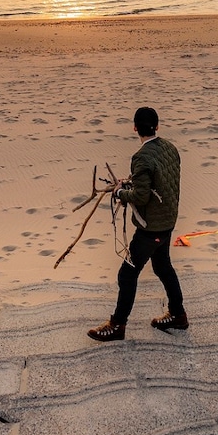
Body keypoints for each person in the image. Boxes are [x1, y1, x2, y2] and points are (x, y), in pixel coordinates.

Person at [87, 107, 188, 341]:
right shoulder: (170, 148)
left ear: (135, 128)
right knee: (163, 267)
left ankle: (117, 325)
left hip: (151, 227)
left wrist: (121, 192)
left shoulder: (141, 157)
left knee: (127, 274)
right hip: (168, 220)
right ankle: (178, 315)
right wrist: (132, 184)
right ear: (157, 126)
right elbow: (160, 184)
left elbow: (141, 197)